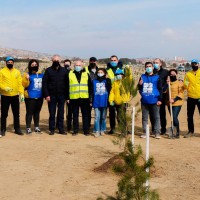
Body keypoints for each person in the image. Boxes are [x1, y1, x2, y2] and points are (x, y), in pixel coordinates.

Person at [42, 55, 67, 135]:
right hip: (51, 96)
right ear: (52, 61)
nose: (56, 61)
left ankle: (61, 129)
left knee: (61, 113)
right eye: (54, 60)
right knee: (52, 113)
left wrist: (66, 96)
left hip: (61, 95)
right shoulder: (48, 70)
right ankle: (52, 129)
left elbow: (67, 84)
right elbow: (44, 83)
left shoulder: (64, 70)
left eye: (57, 60)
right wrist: (47, 95)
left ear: (60, 61)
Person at [66, 59, 92, 136]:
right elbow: (67, 86)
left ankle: (86, 131)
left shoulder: (86, 74)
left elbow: (90, 87)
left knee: (85, 115)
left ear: (82, 66)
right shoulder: (70, 74)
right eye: (76, 65)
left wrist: (90, 98)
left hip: (84, 98)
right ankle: (75, 130)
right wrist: (67, 97)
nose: (78, 67)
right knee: (75, 115)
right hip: (74, 98)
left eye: (79, 65)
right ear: (74, 66)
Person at [0, 56, 24, 136]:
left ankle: (17, 129)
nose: (10, 63)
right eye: (8, 62)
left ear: (13, 63)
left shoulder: (17, 72)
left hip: (15, 96)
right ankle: (3, 129)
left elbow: (20, 83)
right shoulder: (2, 71)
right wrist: (4, 88)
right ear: (6, 63)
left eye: (11, 62)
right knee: (4, 114)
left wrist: (22, 93)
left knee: (16, 114)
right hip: (5, 96)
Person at [138, 62, 162, 139]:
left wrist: (160, 99)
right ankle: (145, 132)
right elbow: (139, 88)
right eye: (147, 66)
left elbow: (160, 89)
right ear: (145, 68)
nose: (148, 67)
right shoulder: (142, 77)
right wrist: (139, 84)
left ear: (152, 67)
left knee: (156, 117)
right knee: (144, 118)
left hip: (155, 100)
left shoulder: (157, 77)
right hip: (145, 101)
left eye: (150, 66)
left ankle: (157, 132)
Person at [22, 59, 44, 134]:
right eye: (32, 64)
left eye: (35, 64)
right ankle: (28, 127)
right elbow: (24, 85)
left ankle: (36, 127)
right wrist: (26, 78)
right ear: (30, 66)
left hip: (40, 96)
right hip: (30, 97)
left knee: (37, 112)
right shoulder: (26, 74)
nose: (34, 66)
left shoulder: (41, 74)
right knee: (29, 112)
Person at [109, 69, 131, 134]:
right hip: (116, 102)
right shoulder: (115, 82)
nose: (118, 76)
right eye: (117, 75)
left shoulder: (126, 81)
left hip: (123, 102)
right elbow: (112, 92)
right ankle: (123, 131)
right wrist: (111, 100)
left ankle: (124, 131)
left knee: (121, 117)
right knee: (118, 117)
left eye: (120, 74)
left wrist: (128, 70)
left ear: (123, 75)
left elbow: (130, 77)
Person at [106, 55, 124, 134]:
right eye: (112, 60)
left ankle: (123, 129)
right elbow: (106, 81)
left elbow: (126, 80)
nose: (113, 62)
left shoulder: (122, 69)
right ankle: (112, 128)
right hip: (111, 94)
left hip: (120, 94)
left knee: (121, 114)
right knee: (112, 113)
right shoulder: (107, 70)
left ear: (117, 61)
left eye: (115, 60)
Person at [165, 69, 184, 138]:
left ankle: (177, 132)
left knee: (174, 117)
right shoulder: (168, 84)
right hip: (169, 103)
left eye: (174, 74)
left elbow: (181, 93)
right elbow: (164, 92)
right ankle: (173, 131)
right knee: (172, 117)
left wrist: (174, 99)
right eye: (171, 74)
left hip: (177, 103)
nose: (172, 75)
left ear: (176, 74)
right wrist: (167, 85)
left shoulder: (179, 83)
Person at [183, 59, 200, 138]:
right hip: (191, 97)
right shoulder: (188, 74)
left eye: (195, 64)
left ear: (198, 64)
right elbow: (185, 83)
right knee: (190, 115)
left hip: (199, 97)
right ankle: (190, 131)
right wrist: (185, 85)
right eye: (192, 64)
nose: (194, 65)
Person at [92, 68, 111, 137]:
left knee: (103, 117)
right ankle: (97, 131)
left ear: (105, 73)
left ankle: (102, 130)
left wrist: (108, 81)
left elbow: (110, 90)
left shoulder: (107, 81)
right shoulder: (94, 81)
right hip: (96, 102)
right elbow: (92, 92)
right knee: (97, 117)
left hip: (105, 102)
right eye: (98, 72)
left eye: (101, 72)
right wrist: (91, 100)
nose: (100, 73)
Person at [153, 58, 168, 134]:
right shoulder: (152, 72)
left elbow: (167, 82)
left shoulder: (165, 72)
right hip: (153, 95)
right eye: (154, 62)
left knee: (162, 112)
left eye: (157, 62)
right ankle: (154, 128)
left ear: (160, 64)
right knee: (153, 112)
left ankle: (163, 128)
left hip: (162, 94)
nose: (155, 64)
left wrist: (164, 88)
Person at [86, 57, 98, 128]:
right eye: (91, 61)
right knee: (88, 111)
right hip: (88, 93)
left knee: (97, 112)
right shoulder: (85, 70)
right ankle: (87, 125)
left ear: (96, 62)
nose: (92, 63)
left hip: (97, 94)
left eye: (94, 61)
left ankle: (97, 127)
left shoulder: (99, 71)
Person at [63, 59, 73, 132]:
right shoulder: (61, 72)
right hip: (62, 93)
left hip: (70, 94)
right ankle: (59, 124)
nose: (66, 65)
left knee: (70, 111)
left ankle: (69, 125)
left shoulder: (72, 72)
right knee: (61, 110)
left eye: (68, 64)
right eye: (65, 64)